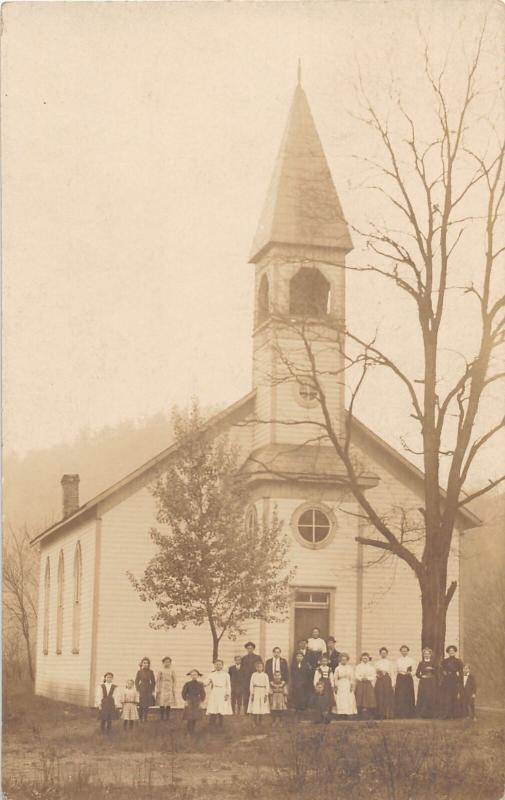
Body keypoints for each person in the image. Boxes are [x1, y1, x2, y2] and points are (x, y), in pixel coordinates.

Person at [439, 645, 464, 719]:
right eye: (450, 651)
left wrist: (459, 679)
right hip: (446, 680)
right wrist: (443, 673)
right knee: (446, 697)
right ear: (448, 652)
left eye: (453, 651)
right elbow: (441, 669)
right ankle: (447, 714)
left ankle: (454, 715)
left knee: (454, 697)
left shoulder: (458, 661)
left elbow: (461, 671)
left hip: (454, 679)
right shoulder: (445, 661)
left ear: (455, 652)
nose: (451, 652)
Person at [206, 659, 232, 730]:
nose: (218, 666)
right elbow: (206, 683)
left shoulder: (226, 675)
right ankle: (212, 724)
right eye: (216, 664)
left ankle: (221, 724)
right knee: (213, 707)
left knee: (221, 708)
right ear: (214, 665)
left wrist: (227, 694)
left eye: (219, 664)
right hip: (214, 691)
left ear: (222, 666)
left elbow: (228, 685)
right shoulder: (212, 674)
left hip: (222, 691)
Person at [416, 647, 438, 719]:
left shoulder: (433, 663)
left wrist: (432, 669)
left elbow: (437, 673)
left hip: (431, 682)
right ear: (423, 655)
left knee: (431, 696)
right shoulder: (421, 663)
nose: (426, 655)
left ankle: (431, 715)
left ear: (430, 655)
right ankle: (422, 714)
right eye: (425, 654)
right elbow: (417, 674)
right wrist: (422, 676)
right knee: (423, 696)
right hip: (423, 682)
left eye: (428, 654)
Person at [182, 670, 206, 735]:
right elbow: (183, 693)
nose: (194, 676)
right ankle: (188, 730)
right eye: (192, 675)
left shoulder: (200, 684)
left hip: (197, 701)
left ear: (198, 676)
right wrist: (186, 700)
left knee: (195, 716)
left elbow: (203, 693)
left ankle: (193, 730)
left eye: (195, 675)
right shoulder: (187, 684)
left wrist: (201, 701)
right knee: (189, 716)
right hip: (189, 700)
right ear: (190, 676)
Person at [394, 645, 416, 718]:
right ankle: (400, 713)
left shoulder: (411, 660)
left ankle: (409, 713)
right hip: (400, 678)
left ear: (408, 651)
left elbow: (414, 671)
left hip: (408, 678)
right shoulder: (398, 660)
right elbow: (395, 670)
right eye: (403, 651)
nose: (404, 652)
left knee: (408, 695)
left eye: (405, 651)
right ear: (400, 651)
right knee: (400, 695)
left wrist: (410, 673)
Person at [333, 653, 357, 718]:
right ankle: (341, 712)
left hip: (347, 684)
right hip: (340, 684)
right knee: (341, 698)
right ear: (340, 660)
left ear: (347, 660)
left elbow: (352, 677)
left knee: (348, 697)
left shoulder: (350, 668)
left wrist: (352, 685)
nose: (344, 661)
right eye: (342, 660)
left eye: (345, 660)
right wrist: (336, 686)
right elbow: (335, 678)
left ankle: (348, 712)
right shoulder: (337, 668)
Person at [374, 647, 395, 720]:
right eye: (382, 653)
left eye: (385, 653)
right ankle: (380, 714)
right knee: (380, 697)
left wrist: (392, 684)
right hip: (380, 680)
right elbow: (374, 673)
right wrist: (378, 674)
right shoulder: (377, 663)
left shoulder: (390, 663)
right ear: (380, 654)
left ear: (387, 654)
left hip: (387, 680)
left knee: (387, 697)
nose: (383, 654)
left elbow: (392, 673)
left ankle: (387, 714)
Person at [248, 661, 270, 726]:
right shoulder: (254, 674)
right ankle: (254, 721)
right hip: (256, 691)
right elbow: (251, 684)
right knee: (255, 706)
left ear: (263, 667)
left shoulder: (265, 675)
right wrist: (252, 693)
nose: (259, 668)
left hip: (263, 691)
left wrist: (266, 694)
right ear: (256, 668)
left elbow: (267, 685)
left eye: (261, 667)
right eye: (258, 667)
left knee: (261, 706)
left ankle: (260, 722)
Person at [241, 642, 263, 710]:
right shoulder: (244, 658)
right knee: (246, 694)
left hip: (255, 678)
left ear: (253, 649)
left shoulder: (258, 657)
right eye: (248, 648)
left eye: (251, 648)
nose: (249, 649)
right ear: (246, 649)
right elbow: (242, 669)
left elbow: (261, 667)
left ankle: (255, 709)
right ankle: (246, 710)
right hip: (246, 679)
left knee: (255, 693)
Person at [354, 652, 377, 719]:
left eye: (366, 658)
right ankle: (360, 714)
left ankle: (368, 714)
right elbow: (356, 675)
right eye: (363, 658)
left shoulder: (371, 667)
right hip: (361, 684)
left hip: (368, 684)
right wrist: (361, 678)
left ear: (368, 659)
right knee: (360, 698)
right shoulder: (358, 666)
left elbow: (374, 676)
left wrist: (367, 678)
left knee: (368, 699)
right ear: (361, 659)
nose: (365, 659)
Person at [135, 657, 156, 722]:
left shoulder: (151, 672)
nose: (145, 664)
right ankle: (140, 717)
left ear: (148, 664)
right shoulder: (139, 672)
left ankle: (145, 717)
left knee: (146, 704)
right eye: (144, 663)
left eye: (147, 663)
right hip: (142, 688)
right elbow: (136, 681)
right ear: (142, 663)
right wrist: (138, 689)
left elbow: (153, 681)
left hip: (148, 688)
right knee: (141, 703)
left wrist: (152, 689)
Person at [156, 656, 177, 721]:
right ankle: (162, 716)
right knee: (162, 702)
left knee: (168, 702)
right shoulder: (160, 670)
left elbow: (174, 680)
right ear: (163, 663)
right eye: (165, 662)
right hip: (162, 687)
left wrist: (173, 688)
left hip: (169, 687)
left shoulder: (172, 671)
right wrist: (158, 688)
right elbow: (158, 680)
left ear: (170, 663)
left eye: (168, 662)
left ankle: (167, 716)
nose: (167, 663)